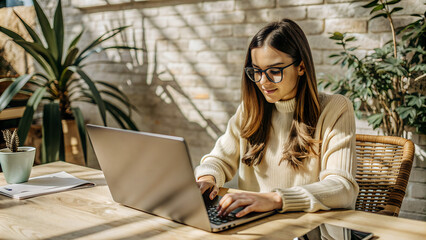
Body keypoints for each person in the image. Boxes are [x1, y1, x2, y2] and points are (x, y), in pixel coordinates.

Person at [195, 18, 359, 218]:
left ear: (301, 67)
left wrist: (274, 199)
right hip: (253, 225)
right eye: (256, 71)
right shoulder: (249, 111)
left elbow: (342, 188)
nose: (263, 81)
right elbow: (218, 159)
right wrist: (207, 177)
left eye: (274, 71)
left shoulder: (336, 109)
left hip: (308, 230)